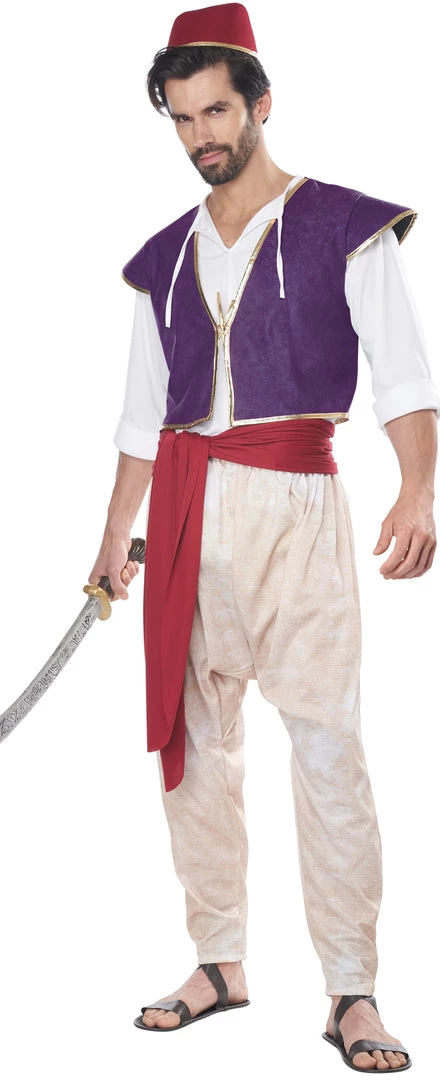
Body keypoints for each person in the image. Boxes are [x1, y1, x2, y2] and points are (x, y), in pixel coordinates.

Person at [88, 3, 439, 1070]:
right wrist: (112, 538)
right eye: (181, 116)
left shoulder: (343, 226)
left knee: (326, 747)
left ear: (259, 104)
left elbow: (404, 374)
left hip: (296, 508)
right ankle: (219, 963)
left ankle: (350, 993)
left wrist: (417, 491)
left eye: (215, 110)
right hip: (186, 514)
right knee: (194, 754)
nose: (200, 133)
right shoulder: (161, 260)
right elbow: (141, 419)